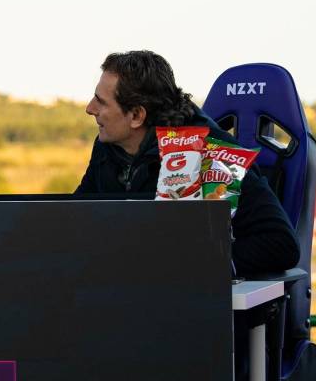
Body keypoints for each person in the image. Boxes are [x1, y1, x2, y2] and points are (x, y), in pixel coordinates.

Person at [75, 50, 298, 276]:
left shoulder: (213, 153)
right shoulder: (108, 147)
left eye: (101, 102)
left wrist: (189, 264)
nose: (90, 108)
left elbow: (281, 245)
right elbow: (76, 218)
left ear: (136, 116)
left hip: (196, 302)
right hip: (128, 290)